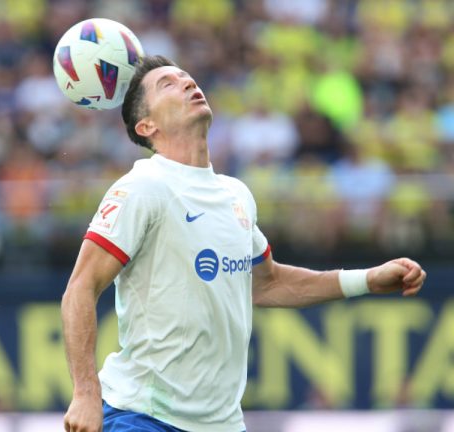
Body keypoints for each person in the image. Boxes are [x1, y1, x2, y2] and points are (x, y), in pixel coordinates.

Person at [61, 55, 427, 432]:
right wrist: (86, 394)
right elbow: (80, 288)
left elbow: (268, 282)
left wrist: (367, 280)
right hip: (143, 416)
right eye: (167, 84)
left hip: (224, 424)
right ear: (146, 125)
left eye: (187, 76)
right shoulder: (142, 188)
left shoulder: (235, 194)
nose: (187, 83)